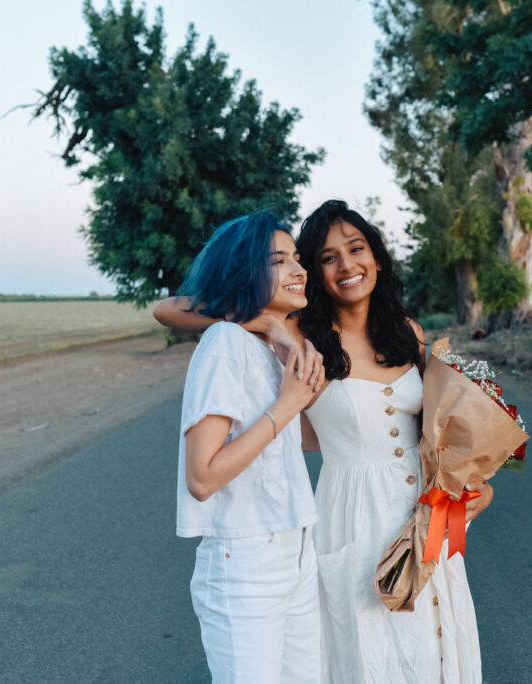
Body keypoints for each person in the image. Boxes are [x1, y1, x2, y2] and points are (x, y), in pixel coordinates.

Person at [158, 200, 489, 683]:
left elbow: (436, 433)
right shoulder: (299, 332)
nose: (347, 265)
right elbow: (167, 309)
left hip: (424, 513)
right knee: (369, 651)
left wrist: (473, 483)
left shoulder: (408, 333)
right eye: (328, 257)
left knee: (431, 646)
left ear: (376, 257)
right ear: (315, 272)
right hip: (352, 515)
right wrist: (269, 322)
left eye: (356, 249)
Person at [175, 210, 326, 683]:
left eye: (297, 258)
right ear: (243, 271)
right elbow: (202, 477)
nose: (299, 270)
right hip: (245, 563)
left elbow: (308, 441)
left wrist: (293, 366)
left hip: (297, 547)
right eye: (279, 260)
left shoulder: (265, 348)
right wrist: (288, 403)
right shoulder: (223, 343)